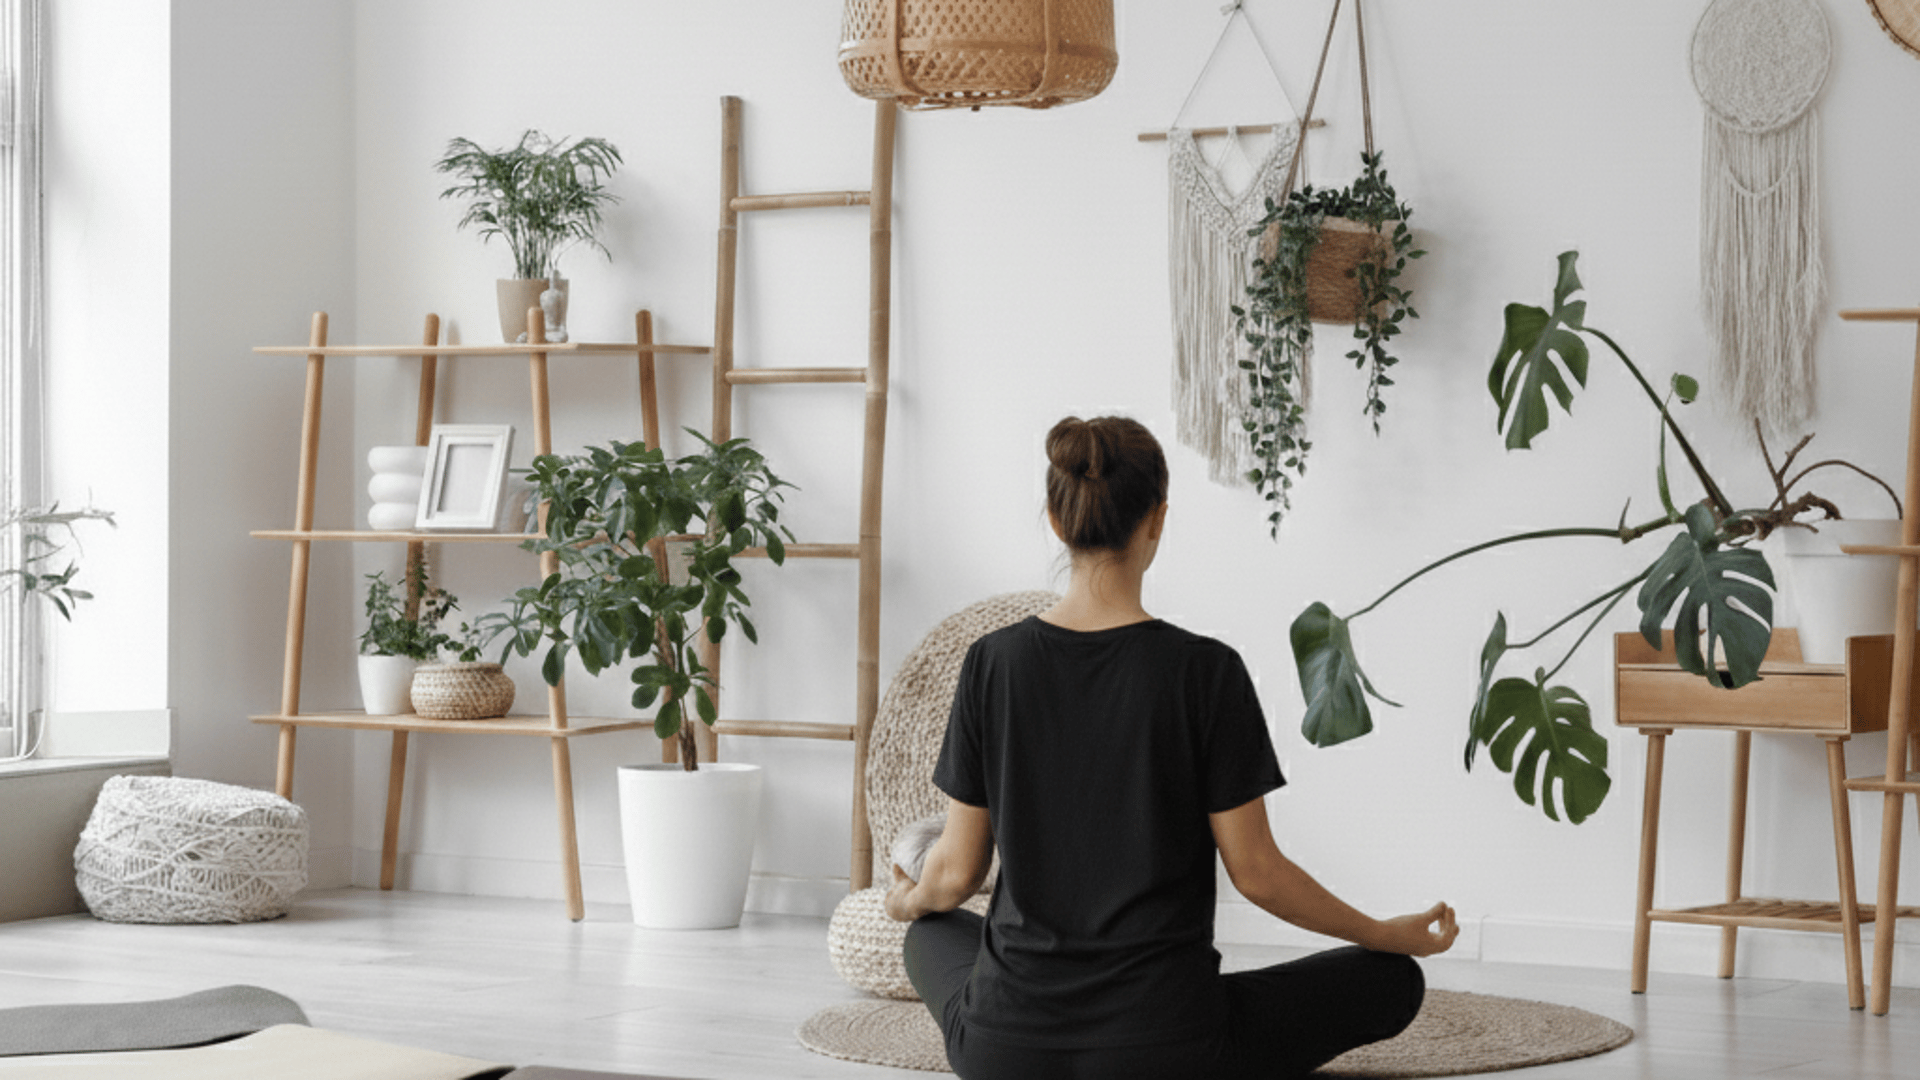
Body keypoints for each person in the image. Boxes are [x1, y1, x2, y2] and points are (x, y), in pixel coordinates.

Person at [885, 415, 1458, 1080]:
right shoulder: (1206, 671)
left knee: (929, 931)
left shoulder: (992, 663)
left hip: (1006, 1051)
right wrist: (1387, 935)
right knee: (1391, 982)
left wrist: (906, 901)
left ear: (1054, 518)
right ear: (1157, 520)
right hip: (1167, 1051)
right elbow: (1260, 875)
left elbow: (954, 875)